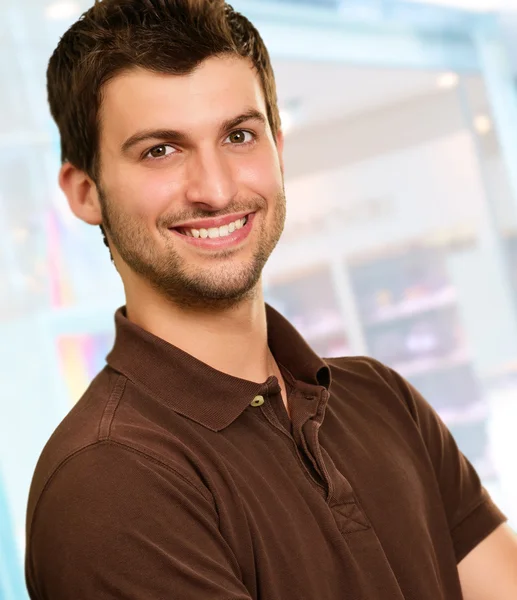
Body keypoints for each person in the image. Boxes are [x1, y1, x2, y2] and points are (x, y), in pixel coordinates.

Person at [25, 1, 517, 598]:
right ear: (85, 192)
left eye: (239, 136)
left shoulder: (384, 401)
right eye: (161, 150)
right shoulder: (110, 479)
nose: (217, 188)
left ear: (277, 149)